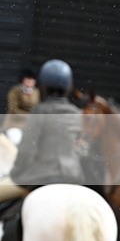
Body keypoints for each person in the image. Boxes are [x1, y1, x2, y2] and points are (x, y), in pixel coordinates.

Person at [0, 59, 84, 204]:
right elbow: (82, 147)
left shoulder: (40, 113)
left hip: (41, 177)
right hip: (73, 178)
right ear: (69, 86)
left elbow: (26, 151)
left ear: (43, 86)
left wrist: (16, 174)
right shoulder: (77, 115)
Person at [2, 68, 40, 141]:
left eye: (32, 80)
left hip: (29, 125)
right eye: (27, 80)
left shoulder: (36, 92)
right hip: (14, 124)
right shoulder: (15, 91)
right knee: (17, 140)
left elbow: (36, 107)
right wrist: (27, 116)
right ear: (23, 80)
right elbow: (13, 109)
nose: (30, 82)